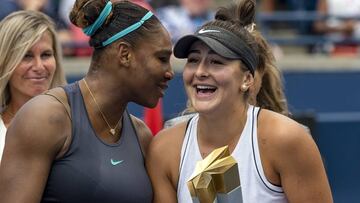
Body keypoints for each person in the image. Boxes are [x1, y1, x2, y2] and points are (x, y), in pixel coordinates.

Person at [146, 0, 333, 202]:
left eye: (216, 62)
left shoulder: (287, 139)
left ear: (247, 79)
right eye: (193, 60)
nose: (200, 72)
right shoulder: (164, 148)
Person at [0, 0, 173, 202]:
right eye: (161, 58)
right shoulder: (44, 117)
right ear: (125, 54)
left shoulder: (142, 135)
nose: (169, 72)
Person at [0, 10, 67, 162]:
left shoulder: (76, 123)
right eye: (26, 56)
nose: (39, 66)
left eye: (46, 55)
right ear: (4, 61)